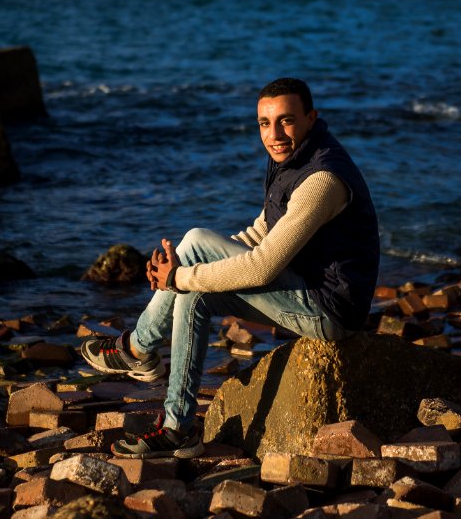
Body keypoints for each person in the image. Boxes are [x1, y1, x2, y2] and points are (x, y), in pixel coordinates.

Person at [79, 77, 380, 458]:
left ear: (311, 118)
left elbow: (263, 267)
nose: (274, 134)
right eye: (264, 123)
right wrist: (188, 279)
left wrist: (178, 276)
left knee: (194, 247)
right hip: (304, 287)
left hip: (329, 310)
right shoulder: (294, 159)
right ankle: (178, 428)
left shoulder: (322, 178)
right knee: (194, 294)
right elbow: (261, 233)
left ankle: (137, 349)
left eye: (286, 121)